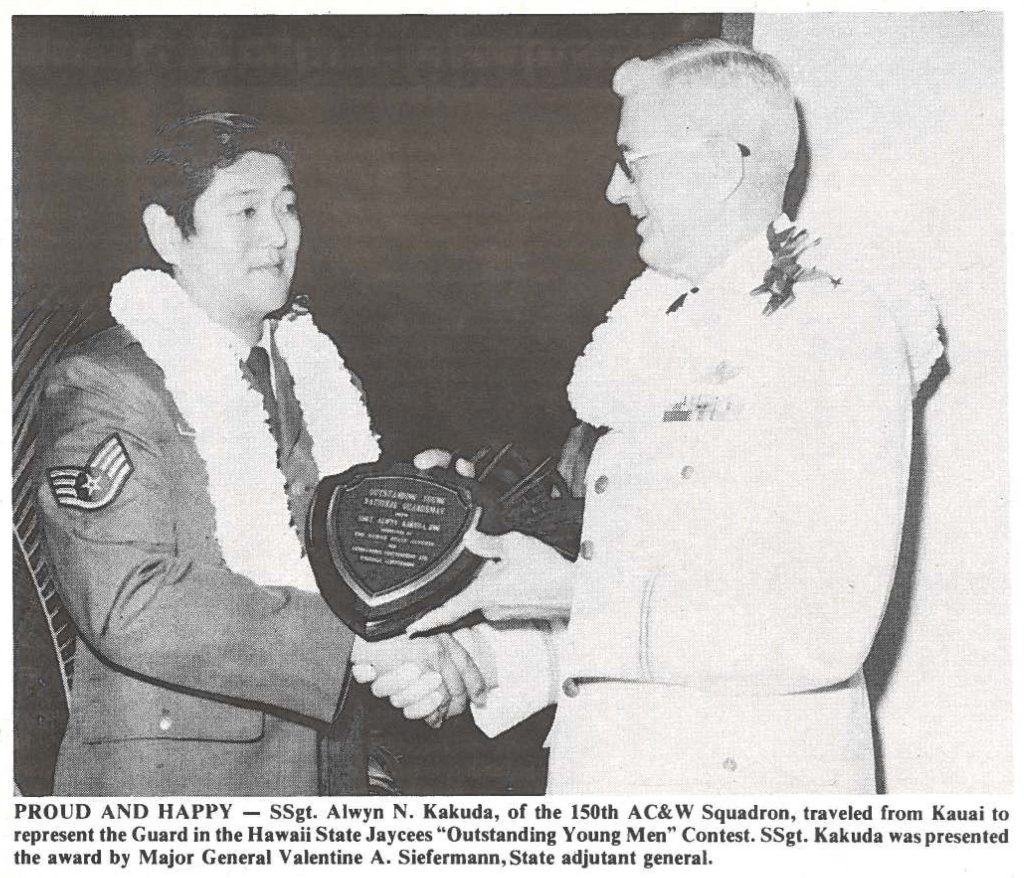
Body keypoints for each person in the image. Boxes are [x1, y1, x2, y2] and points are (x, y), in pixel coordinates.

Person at [378, 40, 944, 793]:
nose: (615, 190)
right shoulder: (656, 335)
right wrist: (485, 664)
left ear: (717, 167)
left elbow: (820, 628)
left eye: (632, 161)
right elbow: (648, 591)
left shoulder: (838, 333)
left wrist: (570, 592)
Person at [35, 112, 482, 796]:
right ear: (167, 233)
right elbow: (132, 599)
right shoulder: (106, 385)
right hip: (178, 791)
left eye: (287, 207)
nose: (277, 234)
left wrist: (421, 513)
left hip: (330, 774)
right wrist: (351, 644)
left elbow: (332, 552)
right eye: (245, 210)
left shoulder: (318, 377)